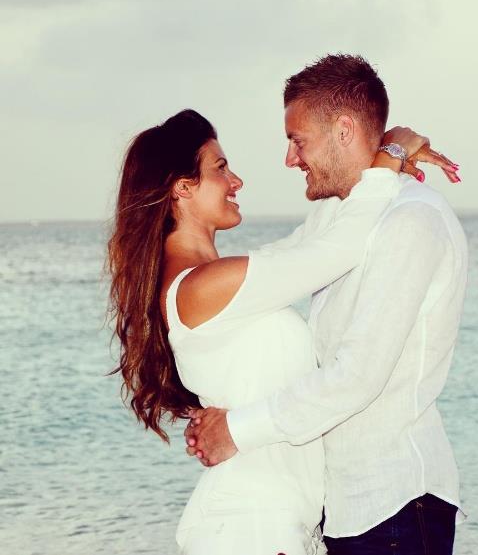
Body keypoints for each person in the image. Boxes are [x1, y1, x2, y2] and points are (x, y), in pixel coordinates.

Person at [107, 102, 455, 553]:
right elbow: (338, 248)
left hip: (280, 523)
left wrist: (379, 153)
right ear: (182, 188)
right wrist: (389, 156)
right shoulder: (204, 286)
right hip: (252, 525)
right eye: (220, 168)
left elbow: (324, 231)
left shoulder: (221, 280)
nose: (236, 181)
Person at [185, 54, 468, 555]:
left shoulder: (409, 220)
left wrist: (237, 430)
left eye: (298, 141)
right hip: (343, 510)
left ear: (343, 130)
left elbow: (357, 376)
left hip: (396, 505)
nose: (290, 159)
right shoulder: (338, 218)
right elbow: (271, 269)